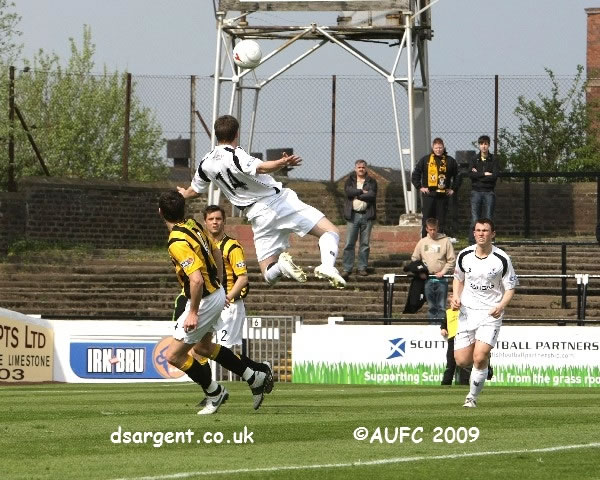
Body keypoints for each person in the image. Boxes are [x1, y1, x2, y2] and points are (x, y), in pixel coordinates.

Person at [177, 115, 346, 289]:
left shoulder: (205, 163)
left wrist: (183, 194)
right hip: (280, 203)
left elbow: (194, 190)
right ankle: (327, 266)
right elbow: (262, 167)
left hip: (258, 216)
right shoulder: (235, 155)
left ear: (216, 134)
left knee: (268, 273)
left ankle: (281, 267)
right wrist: (282, 162)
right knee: (330, 231)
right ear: (237, 133)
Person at [159, 191, 273, 415]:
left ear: (160, 212)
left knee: (173, 355)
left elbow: (196, 279)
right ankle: (254, 375)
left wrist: (193, 312)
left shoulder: (177, 241)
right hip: (216, 294)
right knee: (203, 348)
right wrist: (219, 283)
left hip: (204, 301)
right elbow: (215, 251)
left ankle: (214, 392)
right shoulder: (192, 225)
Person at [451, 218, 517, 408]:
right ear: (474, 233)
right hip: (467, 312)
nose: (481, 234)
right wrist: (456, 296)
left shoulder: (502, 259)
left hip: (490, 313)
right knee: (462, 360)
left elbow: (510, 288)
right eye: (478, 230)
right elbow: (458, 279)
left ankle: (471, 398)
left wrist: (501, 306)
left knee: (479, 357)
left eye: (485, 230)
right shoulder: (464, 255)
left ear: (492, 234)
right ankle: (485, 363)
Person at [410, 218, 456, 324]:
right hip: (428, 278)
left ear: (437, 228)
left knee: (441, 306)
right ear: (426, 229)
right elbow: (415, 258)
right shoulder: (422, 242)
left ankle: (441, 327)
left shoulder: (445, 241)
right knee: (431, 307)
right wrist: (421, 271)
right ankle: (432, 327)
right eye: (430, 230)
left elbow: (451, 260)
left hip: (441, 279)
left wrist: (443, 271)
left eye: (434, 229)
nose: (432, 232)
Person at [411, 137, 458, 238]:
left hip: (443, 196)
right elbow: (415, 174)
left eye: (440, 148)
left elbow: (457, 176)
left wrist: (453, 189)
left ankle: (439, 240)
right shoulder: (425, 160)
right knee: (427, 219)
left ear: (443, 147)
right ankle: (424, 240)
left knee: (441, 220)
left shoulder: (450, 161)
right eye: (436, 148)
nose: (438, 150)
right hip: (429, 195)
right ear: (433, 148)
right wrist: (420, 187)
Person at [341, 159, 378, 280]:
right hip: (353, 215)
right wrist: (361, 191)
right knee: (349, 243)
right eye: (359, 167)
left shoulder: (372, 181)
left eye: (363, 167)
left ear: (366, 168)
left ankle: (362, 267)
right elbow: (348, 192)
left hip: (367, 215)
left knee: (365, 244)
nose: (361, 169)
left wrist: (357, 195)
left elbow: (372, 195)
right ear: (355, 168)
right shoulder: (350, 180)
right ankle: (347, 268)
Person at [468, 135, 499, 243]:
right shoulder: (474, 159)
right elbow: (470, 175)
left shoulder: (494, 159)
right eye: (481, 144)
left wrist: (478, 175)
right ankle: (473, 241)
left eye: (485, 144)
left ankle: (490, 241)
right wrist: (485, 174)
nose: (484, 146)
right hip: (476, 191)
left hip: (489, 192)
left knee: (489, 217)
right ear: (479, 145)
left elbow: (494, 176)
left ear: (489, 145)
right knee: (475, 218)